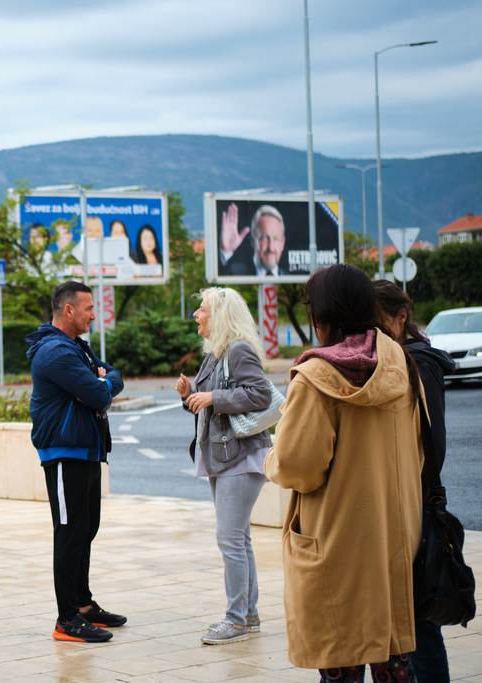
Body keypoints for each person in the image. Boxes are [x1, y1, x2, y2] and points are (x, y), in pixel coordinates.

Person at [264, 264, 423, 680]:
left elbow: (298, 467)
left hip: (337, 547)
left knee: (341, 659)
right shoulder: (401, 364)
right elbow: (419, 453)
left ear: (322, 315)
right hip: (393, 540)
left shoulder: (316, 377)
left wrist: (271, 457)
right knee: (392, 660)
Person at [26, 281, 126, 643]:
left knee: (85, 530)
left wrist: (102, 381)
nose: (94, 315)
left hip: (85, 451)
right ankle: (66, 619)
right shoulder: (55, 352)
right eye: (89, 308)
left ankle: (83, 605)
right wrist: (100, 384)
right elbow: (99, 393)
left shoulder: (76, 347)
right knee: (69, 535)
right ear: (68, 310)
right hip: (64, 453)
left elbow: (113, 376)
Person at [175, 287, 272, 645]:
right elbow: (211, 404)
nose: (196, 315)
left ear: (219, 316)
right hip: (225, 456)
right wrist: (190, 396)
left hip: (241, 457)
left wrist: (213, 396)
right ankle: (248, 614)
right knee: (239, 538)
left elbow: (260, 393)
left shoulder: (238, 349)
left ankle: (236, 620)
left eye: (202, 310)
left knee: (230, 538)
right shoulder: (216, 354)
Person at [374, 279, 455, 682]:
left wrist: (406, 489)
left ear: (400, 317)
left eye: (377, 322)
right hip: (401, 505)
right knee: (408, 622)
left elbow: (432, 444)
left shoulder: (418, 364)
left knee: (420, 624)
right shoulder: (394, 360)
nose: (371, 333)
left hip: (416, 506)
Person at [220, 203, 289, 276]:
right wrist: (226, 252)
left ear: (283, 243)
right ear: (252, 241)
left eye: (276, 239)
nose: (270, 247)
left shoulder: (291, 278)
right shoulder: (236, 273)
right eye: (264, 238)